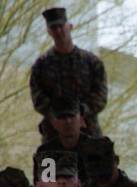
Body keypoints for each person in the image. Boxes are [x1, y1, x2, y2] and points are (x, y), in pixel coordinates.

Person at [29, 7, 107, 140]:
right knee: (50, 161)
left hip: (88, 132)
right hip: (54, 135)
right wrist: (55, 116)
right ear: (49, 32)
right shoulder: (41, 65)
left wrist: (80, 113)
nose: (58, 31)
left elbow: (100, 95)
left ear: (70, 27)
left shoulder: (91, 62)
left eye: (61, 26)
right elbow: (38, 96)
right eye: (54, 28)